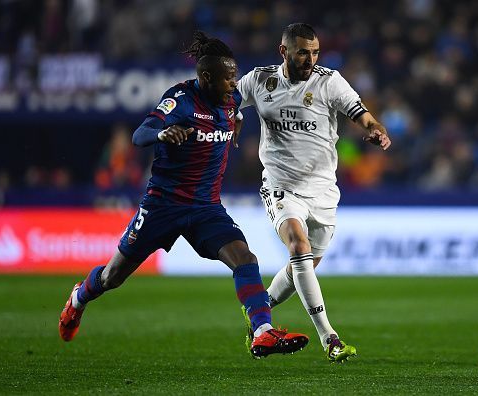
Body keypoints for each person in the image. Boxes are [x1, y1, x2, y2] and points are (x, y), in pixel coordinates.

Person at [59, 32, 309, 359]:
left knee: (246, 259)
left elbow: (238, 113)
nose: (234, 83)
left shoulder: (230, 101)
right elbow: (141, 133)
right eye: (228, 77)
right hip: (163, 205)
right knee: (112, 276)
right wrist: (163, 132)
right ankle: (78, 299)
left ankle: (262, 332)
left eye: (235, 76)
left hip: (206, 207)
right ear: (206, 77)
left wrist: (237, 123)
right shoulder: (181, 99)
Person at [236, 23, 391, 362]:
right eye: (303, 52)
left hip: (322, 191)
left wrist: (376, 129)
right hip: (281, 185)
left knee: (302, 266)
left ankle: (258, 310)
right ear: (284, 52)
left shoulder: (329, 81)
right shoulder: (259, 80)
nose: (310, 59)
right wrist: (229, 120)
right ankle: (330, 337)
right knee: (298, 246)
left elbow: (360, 114)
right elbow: (226, 104)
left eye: (315, 52)